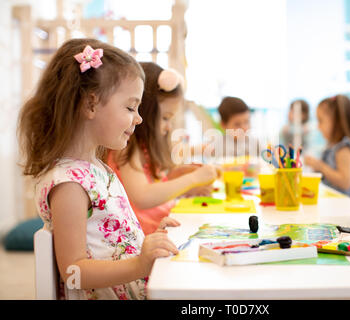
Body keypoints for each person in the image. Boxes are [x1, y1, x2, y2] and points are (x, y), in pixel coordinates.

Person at [17, 38, 179, 300]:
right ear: (91, 104)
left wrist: (148, 241)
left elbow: (110, 242)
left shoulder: (96, 169)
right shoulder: (69, 184)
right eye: (129, 107)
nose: (138, 118)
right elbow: (73, 272)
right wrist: (140, 264)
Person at [107, 62, 218, 235]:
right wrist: (193, 179)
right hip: (142, 234)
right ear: (144, 111)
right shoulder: (126, 147)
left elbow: (149, 188)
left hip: (156, 224)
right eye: (166, 118)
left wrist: (174, 180)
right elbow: (143, 197)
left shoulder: (143, 147)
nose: (169, 127)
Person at [304, 95, 350, 199]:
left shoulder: (344, 149)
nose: (318, 127)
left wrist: (320, 166)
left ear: (337, 122)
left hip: (342, 206)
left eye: (321, 121)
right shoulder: (332, 147)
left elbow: (345, 182)